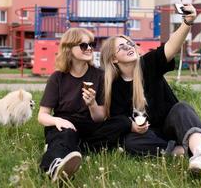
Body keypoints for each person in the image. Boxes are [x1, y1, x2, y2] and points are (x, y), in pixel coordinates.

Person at [100, 4, 201, 176]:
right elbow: (118, 120)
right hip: (149, 136)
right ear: (113, 59)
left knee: (182, 108)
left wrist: (187, 23)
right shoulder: (114, 87)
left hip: (172, 126)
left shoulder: (147, 63)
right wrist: (132, 126)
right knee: (129, 142)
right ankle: (185, 150)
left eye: (130, 43)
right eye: (122, 47)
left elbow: (170, 47)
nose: (129, 47)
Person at [38, 28, 131, 182]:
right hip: (65, 125)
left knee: (121, 122)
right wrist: (57, 121)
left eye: (91, 44)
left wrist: (92, 104)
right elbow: (42, 115)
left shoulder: (100, 75)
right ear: (69, 49)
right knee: (66, 133)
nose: (89, 48)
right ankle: (53, 167)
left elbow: (100, 117)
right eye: (83, 45)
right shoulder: (57, 77)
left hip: (90, 128)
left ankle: (70, 148)